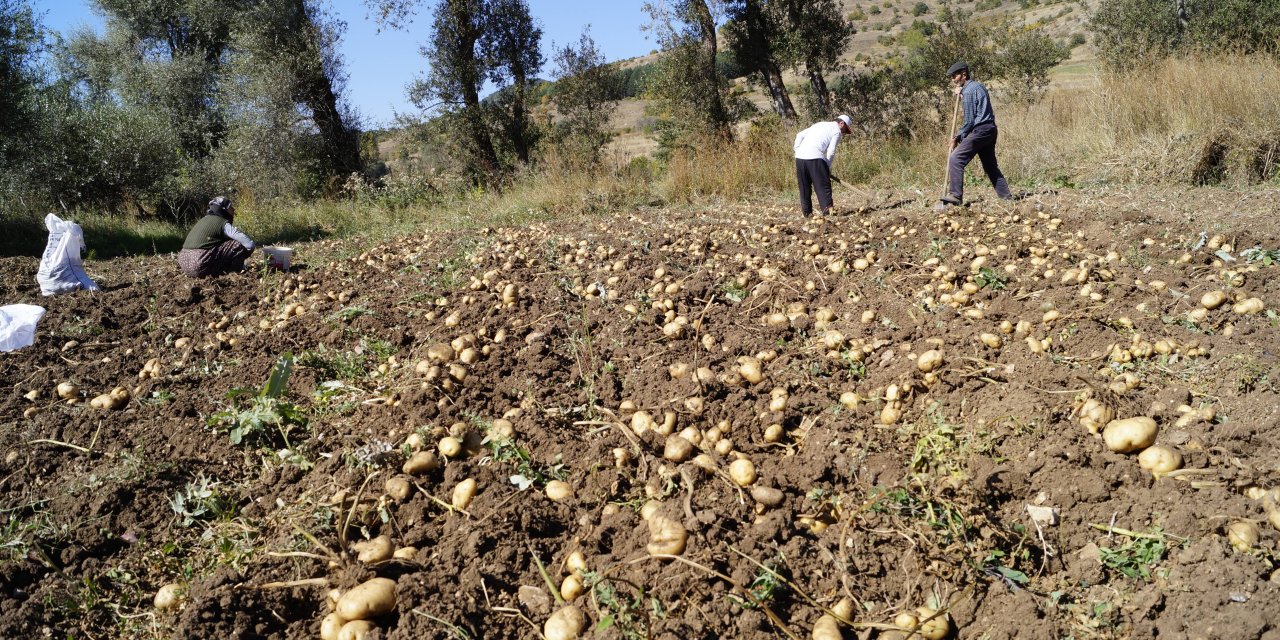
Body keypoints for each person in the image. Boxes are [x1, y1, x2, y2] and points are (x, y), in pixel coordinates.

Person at [937, 61, 1011, 211]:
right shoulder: (976, 86)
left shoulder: (969, 91)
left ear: (964, 74)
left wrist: (957, 137)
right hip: (990, 129)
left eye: (955, 76)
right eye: (951, 77)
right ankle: (1007, 198)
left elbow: (970, 120)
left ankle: (956, 196)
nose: (953, 79)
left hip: (981, 131)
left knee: (956, 158)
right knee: (990, 166)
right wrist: (962, 93)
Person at [178, 196, 256, 277]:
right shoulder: (223, 223)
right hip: (199, 265)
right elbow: (249, 244)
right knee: (238, 245)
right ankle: (234, 273)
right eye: (230, 207)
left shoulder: (202, 220)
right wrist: (244, 255)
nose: (233, 210)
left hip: (184, 263)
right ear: (224, 209)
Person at [794, 114, 854, 217]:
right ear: (841, 123)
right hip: (815, 157)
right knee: (823, 187)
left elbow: (799, 135)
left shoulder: (819, 124)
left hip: (799, 158)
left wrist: (797, 150)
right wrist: (827, 166)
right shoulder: (836, 131)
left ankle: (807, 214)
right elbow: (831, 151)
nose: (844, 132)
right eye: (845, 129)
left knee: (804, 187)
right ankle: (828, 213)